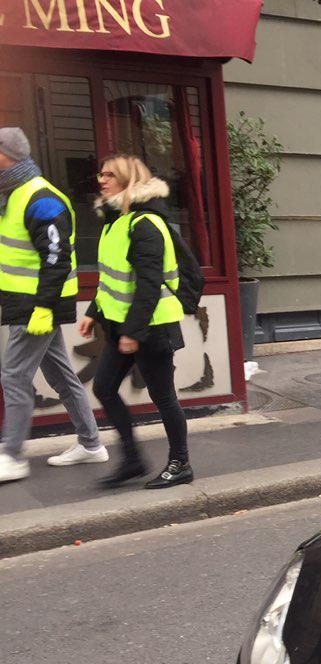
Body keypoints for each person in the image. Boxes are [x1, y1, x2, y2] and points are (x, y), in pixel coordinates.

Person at [0, 126, 107, 483]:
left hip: (36, 305)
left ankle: (12, 455)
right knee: (60, 374)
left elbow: (56, 260)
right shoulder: (13, 193)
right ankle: (91, 444)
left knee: (14, 375)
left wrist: (43, 308)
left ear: (7, 156)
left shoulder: (41, 199)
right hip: (25, 302)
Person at [83, 154, 192, 489]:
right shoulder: (115, 221)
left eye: (110, 175)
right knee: (104, 388)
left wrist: (134, 332)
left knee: (163, 397)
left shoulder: (145, 224)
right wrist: (93, 312)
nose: (102, 180)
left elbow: (148, 284)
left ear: (128, 180)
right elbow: (113, 280)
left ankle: (180, 464)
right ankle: (133, 461)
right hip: (123, 326)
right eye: (101, 174)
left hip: (152, 328)